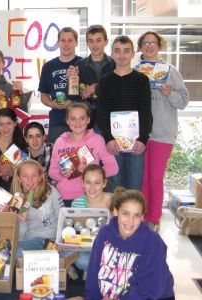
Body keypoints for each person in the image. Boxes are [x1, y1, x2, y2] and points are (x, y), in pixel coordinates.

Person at [137, 31, 189, 230]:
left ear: (159, 45)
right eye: (145, 43)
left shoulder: (170, 70)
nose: (149, 46)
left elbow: (183, 101)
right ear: (140, 47)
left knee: (155, 178)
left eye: (153, 42)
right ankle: (139, 216)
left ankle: (153, 218)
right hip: (139, 134)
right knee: (141, 178)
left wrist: (169, 92)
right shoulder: (135, 70)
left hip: (162, 132)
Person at [85, 187, 175, 300]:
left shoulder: (153, 241)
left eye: (137, 215)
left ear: (142, 217)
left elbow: (151, 287)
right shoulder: (104, 233)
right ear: (116, 211)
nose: (130, 221)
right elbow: (93, 274)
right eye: (126, 214)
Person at [97, 35, 152, 192]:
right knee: (115, 188)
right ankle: (116, 217)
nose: (121, 55)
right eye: (117, 51)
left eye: (126, 51)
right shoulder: (105, 81)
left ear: (133, 54)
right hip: (113, 142)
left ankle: (134, 217)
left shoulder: (142, 80)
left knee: (134, 187)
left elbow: (146, 111)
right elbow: (102, 112)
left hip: (136, 143)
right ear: (112, 54)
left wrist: (143, 139)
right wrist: (108, 138)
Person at [49, 102, 118, 206]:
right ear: (67, 121)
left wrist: (90, 172)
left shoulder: (97, 140)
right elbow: (51, 171)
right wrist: (60, 173)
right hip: (64, 196)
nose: (77, 123)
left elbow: (113, 168)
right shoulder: (59, 141)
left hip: (91, 196)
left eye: (82, 118)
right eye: (73, 118)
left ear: (88, 120)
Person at [67, 24, 116, 130]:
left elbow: (119, 90)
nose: (95, 45)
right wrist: (71, 80)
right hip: (87, 122)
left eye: (98, 40)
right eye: (91, 41)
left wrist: (95, 88)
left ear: (106, 41)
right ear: (87, 43)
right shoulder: (79, 65)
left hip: (111, 120)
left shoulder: (114, 65)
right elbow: (73, 97)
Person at [38, 27, 82, 143]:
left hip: (80, 122)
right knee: (58, 159)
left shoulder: (84, 65)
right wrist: (52, 104)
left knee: (83, 159)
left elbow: (90, 96)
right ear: (58, 43)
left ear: (76, 43)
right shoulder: (48, 66)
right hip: (57, 122)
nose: (66, 44)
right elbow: (43, 95)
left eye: (70, 40)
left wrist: (72, 103)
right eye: (63, 40)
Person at [13, 160, 64, 257]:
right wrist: (23, 220)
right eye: (25, 176)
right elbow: (20, 237)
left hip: (52, 239)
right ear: (19, 178)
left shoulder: (51, 191)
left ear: (40, 177)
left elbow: (62, 218)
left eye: (34, 176)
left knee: (71, 253)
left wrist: (59, 241)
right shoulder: (17, 199)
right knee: (16, 253)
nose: (30, 180)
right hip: (31, 240)